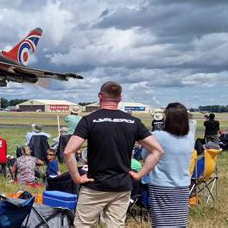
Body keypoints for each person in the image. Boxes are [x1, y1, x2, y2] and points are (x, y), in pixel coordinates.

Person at [63, 81, 164, 227]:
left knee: (83, 224)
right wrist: (139, 174)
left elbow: (68, 151)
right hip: (122, 186)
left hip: (95, 185)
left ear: (100, 96)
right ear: (120, 98)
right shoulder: (133, 121)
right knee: (116, 225)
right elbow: (158, 150)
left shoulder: (89, 120)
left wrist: (77, 178)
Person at [141, 102, 195, 227]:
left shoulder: (158, 136)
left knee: (161, 222)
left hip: (161, 185)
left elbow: (144, 155)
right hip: (182, 186)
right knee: (179, 223)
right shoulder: (190, 137)